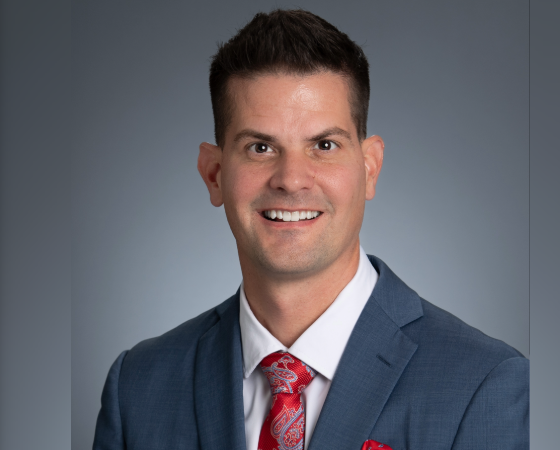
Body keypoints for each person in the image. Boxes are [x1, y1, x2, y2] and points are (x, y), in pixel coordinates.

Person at [93, 9, 529, 450]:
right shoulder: (137, 387)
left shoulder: (482, 385)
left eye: (324, 145)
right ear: (214, 174)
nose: (291, 179)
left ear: (369, 168)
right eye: (260, 147)